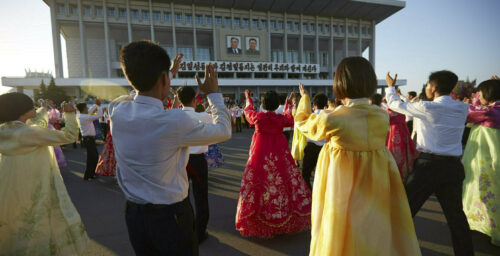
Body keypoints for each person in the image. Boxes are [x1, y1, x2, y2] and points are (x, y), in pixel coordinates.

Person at [110, 40, 231, 255]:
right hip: (170, 216)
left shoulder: (117, 110)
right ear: (163, 78)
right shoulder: (174, 121)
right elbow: (224, 131)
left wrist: (167, 74)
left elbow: (140, 91)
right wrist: (213, 94)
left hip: (134, 214)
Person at [296, 57, 420, 255]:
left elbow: (303, 123)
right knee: (375, 227)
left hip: (342, 181)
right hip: (377, 180)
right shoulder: (381, 115)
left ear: (340, 83)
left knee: (339, 228)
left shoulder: (332, 118)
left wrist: (304, 99)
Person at [385, 70, 473, 255]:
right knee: (456, 218)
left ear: (433, 88)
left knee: (404, 212)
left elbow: (394, 104)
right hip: (452, 167)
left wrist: (391, 87)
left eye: (427, 85)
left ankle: (391, 250)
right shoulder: (462, 108)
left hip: (427, 167)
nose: (426, 88)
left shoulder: (426, 107)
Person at [0, 93, 88, 254]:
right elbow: (69, 136)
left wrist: (43, 109)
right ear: (22, 111)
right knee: (37, 221)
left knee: (14, 222)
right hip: (33, 184)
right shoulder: (31, 133)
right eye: (31, 106)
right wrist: (69, 115)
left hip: (9, 186)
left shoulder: (5, 130)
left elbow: (38, 121)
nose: (34, 108)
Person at [235, 89, 311, 238]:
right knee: (282, 181)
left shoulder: (258, 118)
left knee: (258, 182)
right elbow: (290, 118)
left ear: (263, 103)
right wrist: (289, 103)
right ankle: (281, 215)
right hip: (278, 152)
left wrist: (248, 98)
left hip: (260, 153)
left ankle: (257, 216)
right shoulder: (279, 119)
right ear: (277, 105)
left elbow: (248, 111)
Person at [462, 78, 500, 246]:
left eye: (480, 92)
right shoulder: (493, 110)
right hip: (493, 161)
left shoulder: (488, 112)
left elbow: (467, 112)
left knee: (484, 190)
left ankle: (491, 227)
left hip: (485, 162)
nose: (477, 95)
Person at [177, 86, 213, 243]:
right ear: (195, 100)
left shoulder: (174, 116)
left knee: (180, 197)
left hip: (179, 159)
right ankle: (199, 233)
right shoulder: (204, 116)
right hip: (197, 160)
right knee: (201, 197)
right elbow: (221, 120)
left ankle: (184, 230)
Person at [301, 93, 328, 190]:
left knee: (306, 174)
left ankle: (309, 196)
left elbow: (300, 123)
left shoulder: (310, 117)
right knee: (324, 176)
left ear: (314, 104)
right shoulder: (329, 116)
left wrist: (304, 96)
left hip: (311, 147)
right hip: (325, 148)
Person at [76, 102, 103, 181]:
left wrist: (96, 104)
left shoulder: (82, 115)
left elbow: (90, 111)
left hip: (88, 139)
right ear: (84, 109)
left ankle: (90, 174)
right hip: (88, 139)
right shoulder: (85, 117)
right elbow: (99, 115)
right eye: (86, 108)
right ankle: (88, 175)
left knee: (92, 157)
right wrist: (99, 106)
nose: (88, 109)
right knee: (92, 157)